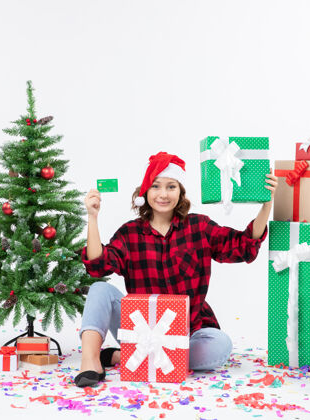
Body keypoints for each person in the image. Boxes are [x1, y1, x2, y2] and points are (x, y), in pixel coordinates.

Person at [74, 151, 278, 387]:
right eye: (156, 186)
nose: (163, 194)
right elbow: (98, 266)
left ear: (180, 193)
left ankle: (123, 356)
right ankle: (91, 362)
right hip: (142, 330)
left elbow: (242, 247)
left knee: (220, 346)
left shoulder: (199, 226)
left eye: (171, 187)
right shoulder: (129, 233)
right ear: (145, 192)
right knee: (100, 288)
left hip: (190, 331)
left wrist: (265, 207)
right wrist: (93, 217)